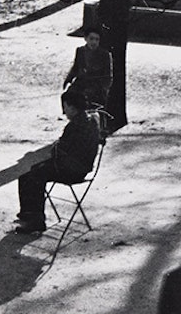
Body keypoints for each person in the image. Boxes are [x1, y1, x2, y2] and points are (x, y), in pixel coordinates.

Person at [13, 88, 102, 234]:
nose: (64, 111)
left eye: (65, 107)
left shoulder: (74, 126)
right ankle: (29, 214)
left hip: (73, 170)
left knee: (34, 176)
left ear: (72, 107)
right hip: (82, 166)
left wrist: (55, 148)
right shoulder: (91, 119)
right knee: (31, 174)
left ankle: (35, 220)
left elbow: (60, 150)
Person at [62, 27, 113, 110]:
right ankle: (72, 116)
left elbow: (108, 75)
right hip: (81, 82)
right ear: (86, 38)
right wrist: (68, 79)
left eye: (97, 39)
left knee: (88, 100)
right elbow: (75, 67)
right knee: (67, 96)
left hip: (95, 84)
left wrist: (104, 89)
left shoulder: (104, 54)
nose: (94, 42)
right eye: (91, 39)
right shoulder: (80, 51)